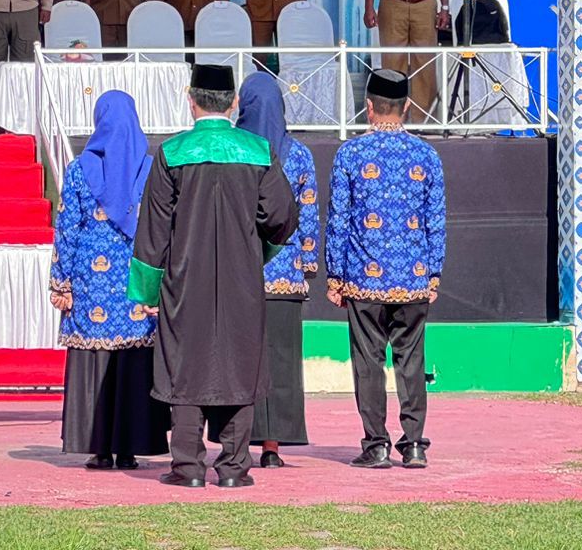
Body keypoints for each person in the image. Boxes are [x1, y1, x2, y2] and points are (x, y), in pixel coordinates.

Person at [129, 63, 298, 489]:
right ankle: (234, 469)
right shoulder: (258, 151)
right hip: (243, 281)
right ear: (234, 102)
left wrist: (147, 291)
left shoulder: (172, 153)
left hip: (184, 282)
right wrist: (258, 253)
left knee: (185, 364)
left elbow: (153, 230)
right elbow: (282, 217)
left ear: (191, 101)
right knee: (240, 363)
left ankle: (188, 468)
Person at [326, 68, 446, 470]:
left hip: (365, 278)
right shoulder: (426, 155)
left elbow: (338, 219)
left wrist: (334, 276)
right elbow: (435, 220)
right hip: (413, 277)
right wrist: (433, 274)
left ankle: (376, 444)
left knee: (368, 362)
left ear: (369, 107)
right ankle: (414, 446)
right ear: (406, 107)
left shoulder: (351, 154)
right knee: (411, 361)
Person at [52, 91, 169, 469]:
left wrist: (61, 283)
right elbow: (163, 228)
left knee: (96, 358)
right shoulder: (150, 168)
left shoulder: (79, 169)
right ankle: (130, 449)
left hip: (92, 282)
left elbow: (67, 229)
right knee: (134, 362)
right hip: (137, 278)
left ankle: (99, 448)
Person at [236, 74, 320, 469]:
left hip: (240, 275)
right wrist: (307, 263)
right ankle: (272, 447)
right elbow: (309, 214)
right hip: (285, 277)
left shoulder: (235, 151)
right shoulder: (298, 154)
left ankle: (237, 442)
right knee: (281, 360)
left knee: (239, 361)